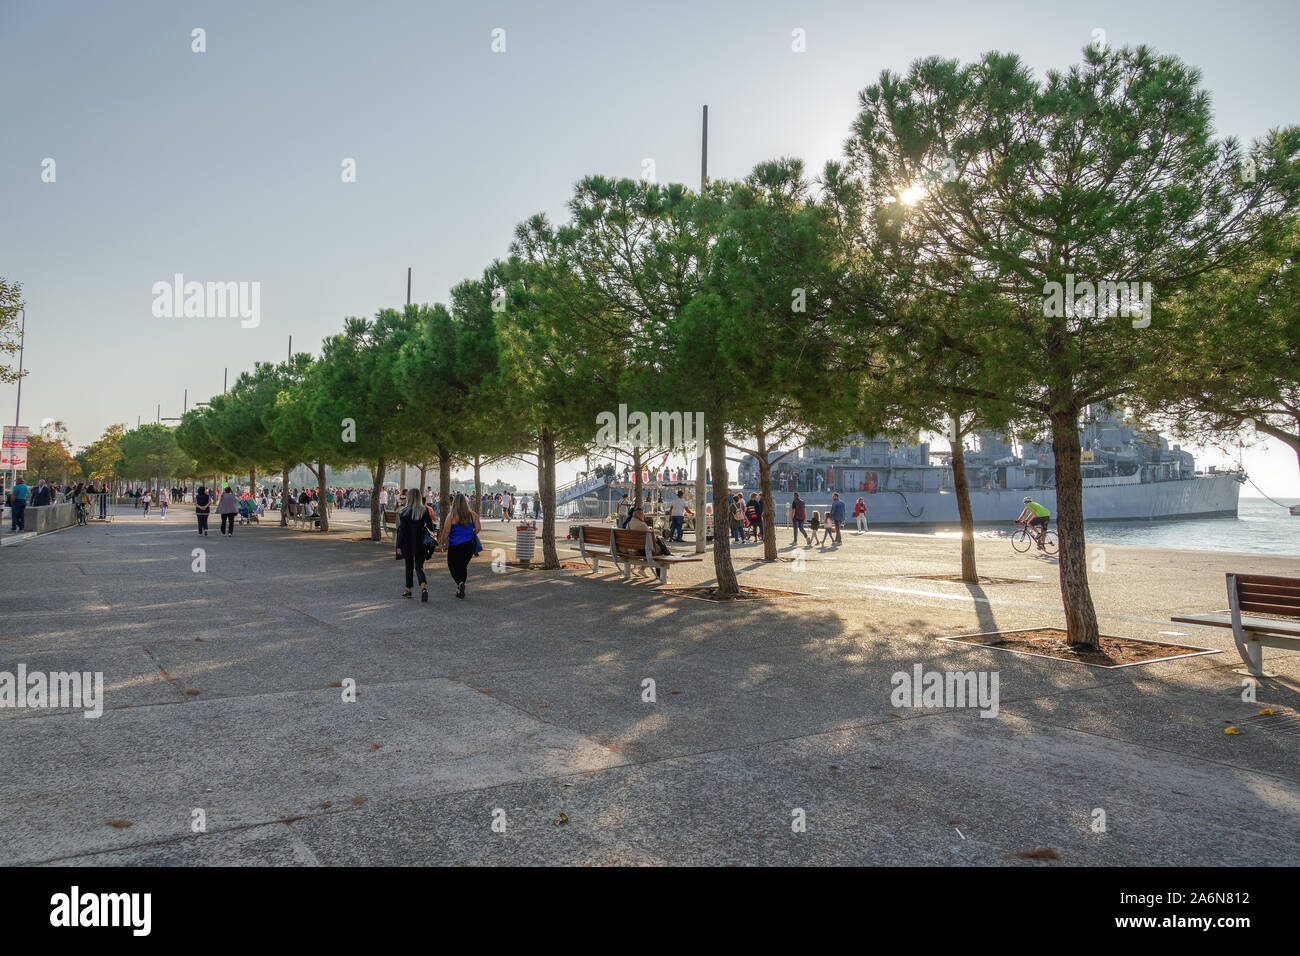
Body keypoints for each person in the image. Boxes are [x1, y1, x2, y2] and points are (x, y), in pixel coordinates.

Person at [437, 492, 481, 599]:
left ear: (454, 503)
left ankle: (460, 584)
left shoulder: (451, 516)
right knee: (463, 566)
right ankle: (460, 586)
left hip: (455, 545)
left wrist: (442, 543)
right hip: (469, 545)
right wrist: (470, 534)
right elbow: (478, 528)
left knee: (452, 566)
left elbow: (446, 531)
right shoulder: (472, 515)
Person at [396, 489, 436, 602]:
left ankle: (408, 590)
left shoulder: (404, 512)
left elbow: (402, 531)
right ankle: (423, 587)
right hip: (421, 543)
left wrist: (399, 546)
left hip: (408, 543)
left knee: (409, 567)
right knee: (419, 566)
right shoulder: (424, 511)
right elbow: (431, 528)